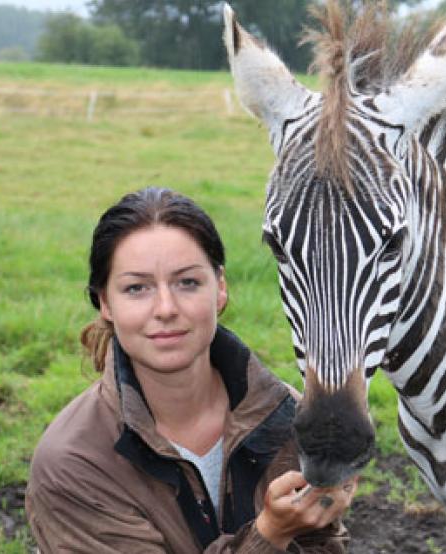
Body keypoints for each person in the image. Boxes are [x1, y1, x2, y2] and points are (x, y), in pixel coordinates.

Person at [25, 187, 356, 553]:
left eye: (188, 283)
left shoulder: (286, 416)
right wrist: (270, 534)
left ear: (220, 289)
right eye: (137, 288)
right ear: (105, 302)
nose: (166, 308)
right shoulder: (74, 463)